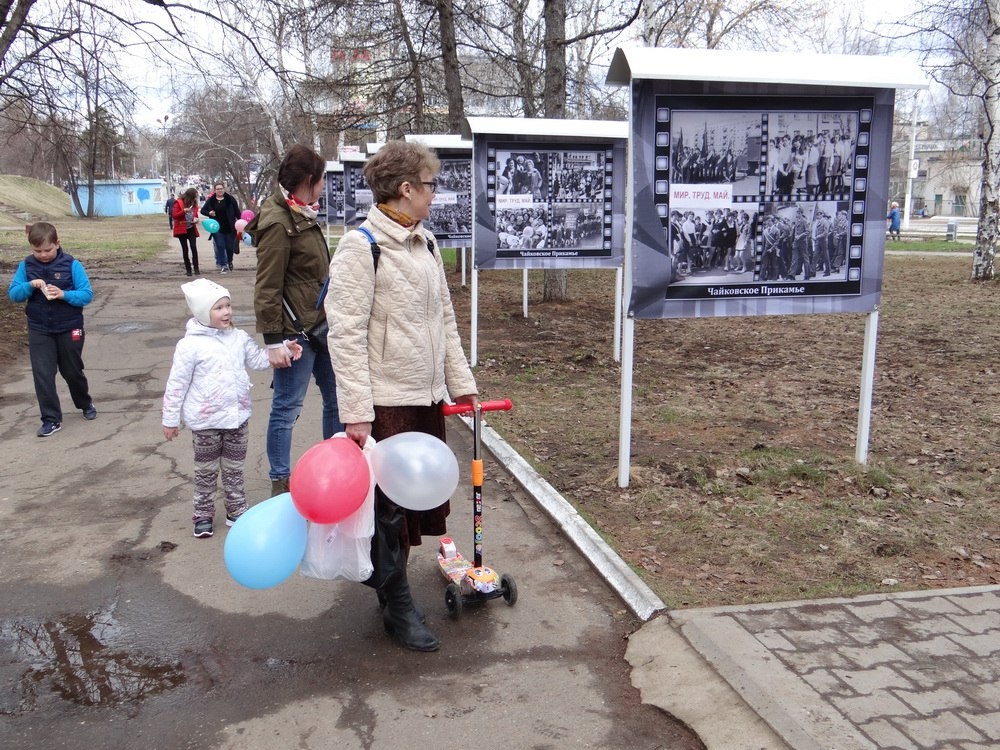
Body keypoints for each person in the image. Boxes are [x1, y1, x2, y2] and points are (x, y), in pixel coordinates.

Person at [326, 140, 478, 652]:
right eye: (430, 185)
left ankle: (393, 590)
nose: (436, 194)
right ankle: (397, 606)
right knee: (389, 511)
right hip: (386, 400)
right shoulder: (361, 246)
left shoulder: (427, 243)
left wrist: (463, 383)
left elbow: (446, 321)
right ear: (407, 188)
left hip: (426, 396)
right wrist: (356, 412)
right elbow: (344, 333)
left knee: (413, 506)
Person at [162, 278, 303, 538]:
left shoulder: (238, 338)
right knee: (206, 471)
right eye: (218, 308)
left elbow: (259, 360)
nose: (226, 312)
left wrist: (283, 349)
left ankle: (236, 509)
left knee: (234, 469)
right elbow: (176, 385)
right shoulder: (189, 346)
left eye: (228, 306)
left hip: (237, 418)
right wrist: (170, 420)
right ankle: (203, 513)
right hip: (206, 422)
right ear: (204, 312)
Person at [248, 144, 342, 498]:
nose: (323, 186)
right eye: (320, 180)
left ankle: (334, 470)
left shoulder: (300, 211)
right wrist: (273, 340)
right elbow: (267, 286)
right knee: (287, 409)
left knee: (337, 401)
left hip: (322, 326)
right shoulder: (278, 222)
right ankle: (281, 482)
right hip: (295, 335)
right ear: (308, 180)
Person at [7, 222, 97, 437]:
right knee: (43, 374)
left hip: (70, 327)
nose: (43, 255)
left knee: (72, 371)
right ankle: (50, 419)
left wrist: (64, 294)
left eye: (47, 250)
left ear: (57, 244)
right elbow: (14, 295)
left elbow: (86, 294)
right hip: (40, 328)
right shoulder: (26, 266)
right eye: (37, 251)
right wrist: (29, 286)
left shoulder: (72, 265)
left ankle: (85, 403)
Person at [202, 182, 241, 273]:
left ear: (224, 189)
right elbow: (203, 210)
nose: (220, 190)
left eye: (221, 188)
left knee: (229, 247)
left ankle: (230, 261)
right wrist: (209, 213)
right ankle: (223, 265)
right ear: (215, 190)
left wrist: (241, 222)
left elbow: (237, 212)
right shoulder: (211, 200)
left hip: (229, 227)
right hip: (216, 227)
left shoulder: (230, 199)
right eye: (218, 189)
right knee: (220, 245)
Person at [172, 187, 201, 276]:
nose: (196, 198)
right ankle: (188, 269)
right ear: (191, 196)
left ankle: (196, 268)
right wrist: (183, 211)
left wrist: (196, 219)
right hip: (182, 228)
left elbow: (195, 214)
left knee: (193, 247)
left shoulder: (194, 204)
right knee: (185, 249)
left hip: (191, 227)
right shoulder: (179, 202)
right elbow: (174, 215)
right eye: (195, 196)